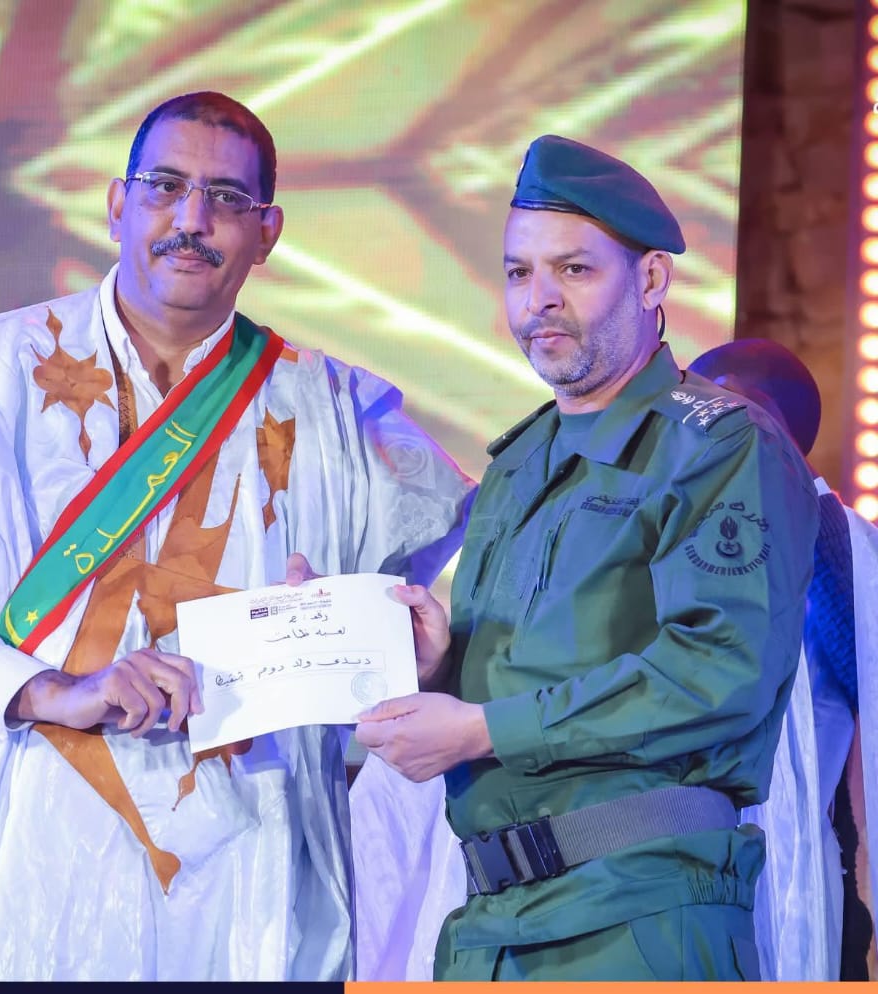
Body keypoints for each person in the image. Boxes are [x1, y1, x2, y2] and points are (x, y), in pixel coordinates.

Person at [0, 91, 473, 981]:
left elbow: (454, 609)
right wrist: (49, 689)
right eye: (165, 186)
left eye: (227, 198)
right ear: (118, 204)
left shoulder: (342, 415)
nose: (191, 219)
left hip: (256, 867)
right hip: (31, 853)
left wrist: (415, 654)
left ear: (268, 232)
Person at [352, 134, 820, 981]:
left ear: (651, 280)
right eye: (519, 272)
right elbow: (531, 671)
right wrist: (438, 666)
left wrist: (481, 728)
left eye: (574, 270)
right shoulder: (517, 463)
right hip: (490, 924)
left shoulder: (718, 446)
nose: (539, 300)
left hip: (637, 915)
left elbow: (719, 672)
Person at [689, 339, 878, 980]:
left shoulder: (837, 541)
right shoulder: (672, 530)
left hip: (786, 880)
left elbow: (867, 689)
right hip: (663, 873)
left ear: (770, 419)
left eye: (711, 404)